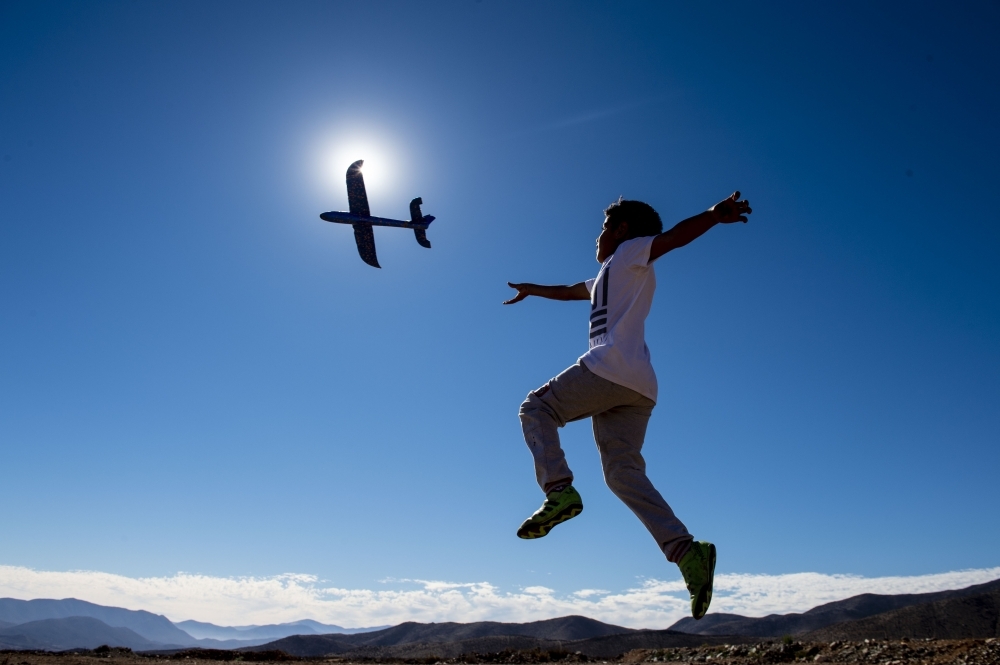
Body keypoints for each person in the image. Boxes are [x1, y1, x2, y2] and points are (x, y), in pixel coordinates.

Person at [503, 192, 752, 620]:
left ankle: (559, 491)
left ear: (620, 230)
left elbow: (672, 238)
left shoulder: (630, 252)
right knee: (622, 474)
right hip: (638, 387)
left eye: (602, 228)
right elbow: (569, 291)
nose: (597, 237)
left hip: (609, 369)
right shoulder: (607, 274)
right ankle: (686, 551)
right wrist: (534, 290)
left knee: (536, 409)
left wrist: (713, 215)